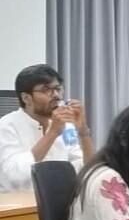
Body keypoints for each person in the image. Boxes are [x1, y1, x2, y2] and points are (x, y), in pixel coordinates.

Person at [0, 64, 94, 192]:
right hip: (19, 202)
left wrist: (83, 132)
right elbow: (15, 176)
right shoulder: (6, 126)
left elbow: (85, 169)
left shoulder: (66, 126)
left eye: (58, 89)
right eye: (46, 90)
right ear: (26, 98)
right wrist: (52, 133)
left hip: (61, 199)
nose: (56, 95)